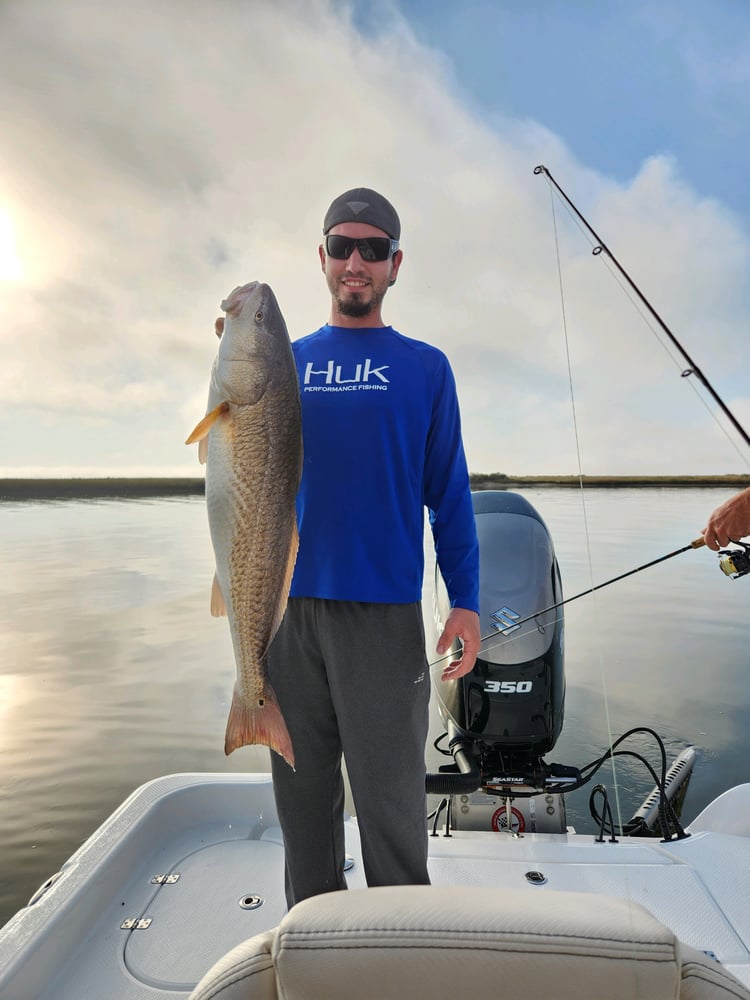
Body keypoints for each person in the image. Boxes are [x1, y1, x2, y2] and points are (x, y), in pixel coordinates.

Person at [265, 187, 481, 908]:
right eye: (342, 246)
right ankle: (315, 941)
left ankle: (400, 950)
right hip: (285, 614)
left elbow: (449, 495)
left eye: (373, 249)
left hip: (384, 618)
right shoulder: (280, 364)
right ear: (321, 258)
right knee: (304, 810)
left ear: (395, 265)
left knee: (391, 810)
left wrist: (467, 603)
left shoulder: (426, 368)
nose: (356, 261)